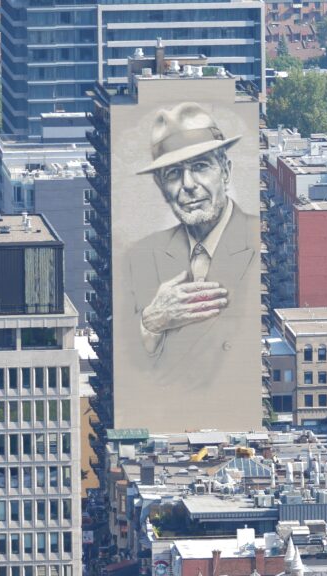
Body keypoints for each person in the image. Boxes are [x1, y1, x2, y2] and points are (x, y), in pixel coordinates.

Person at [123, 102, 259, 389]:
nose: (188, 184)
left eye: (200, 167)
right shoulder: (140, 257)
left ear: (225, 171)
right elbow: (130, 365)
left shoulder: (258, 241)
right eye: (173, 174)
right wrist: (150, 323)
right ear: (162, 188)